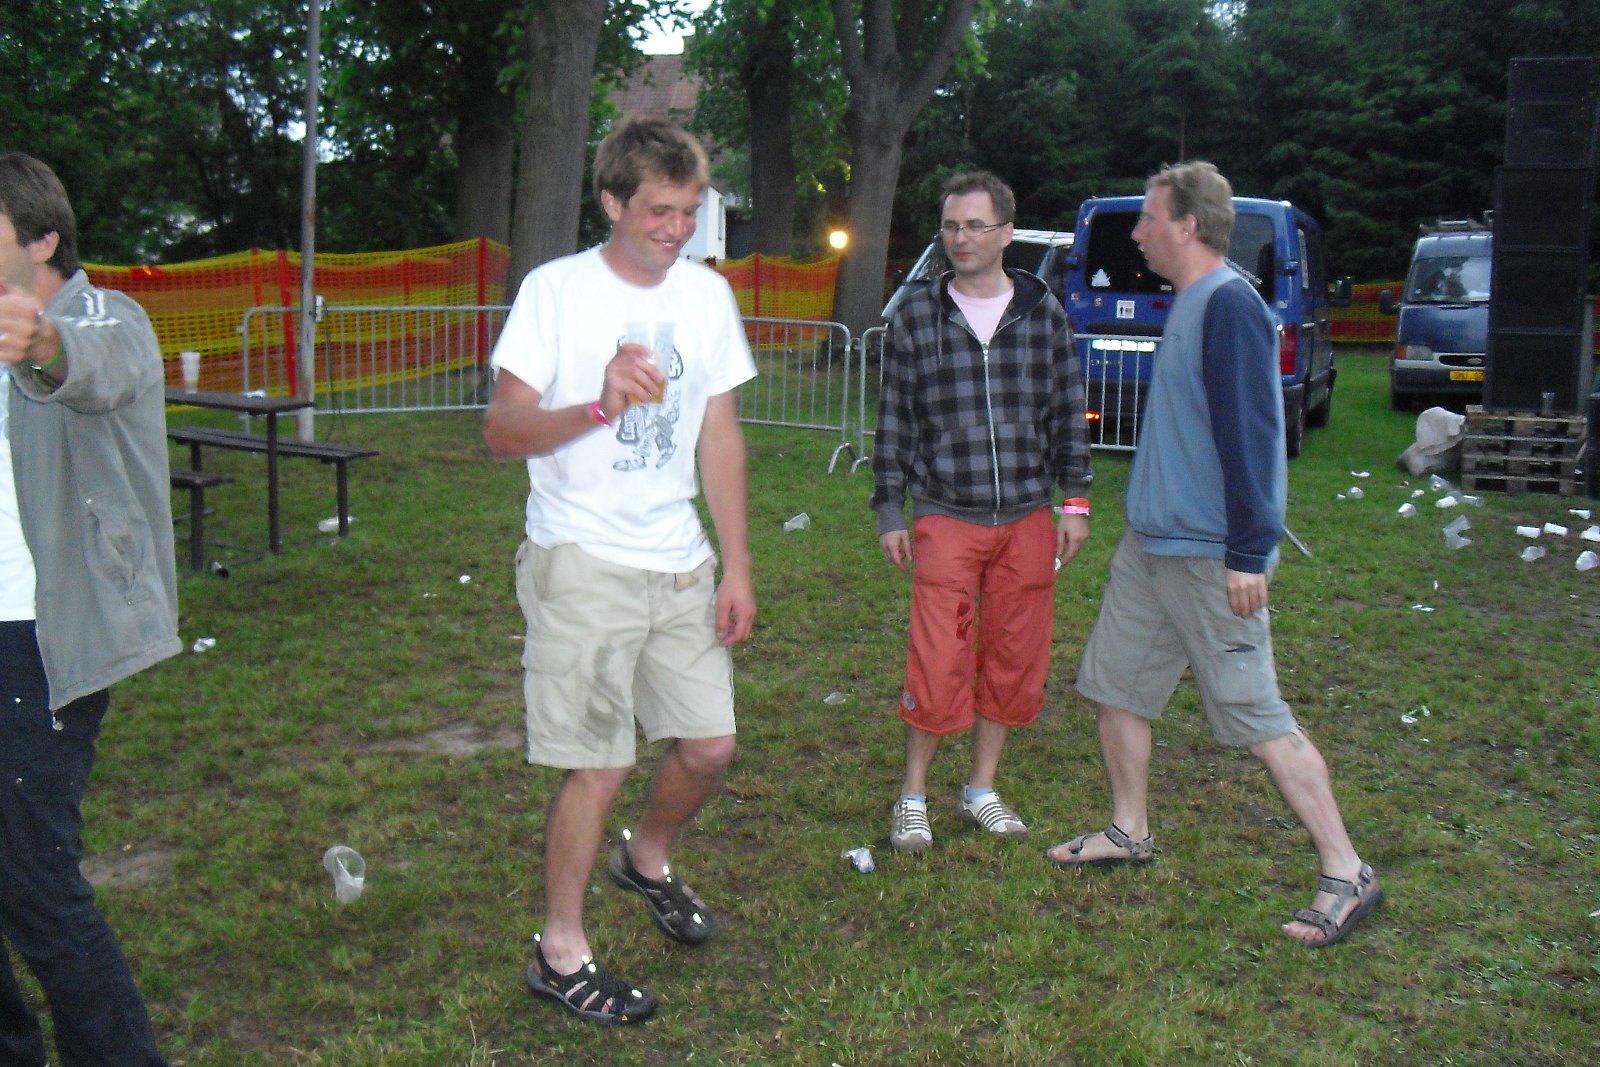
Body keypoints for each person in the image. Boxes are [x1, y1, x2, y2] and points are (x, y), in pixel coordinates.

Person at [1049, 161, 1384, 949]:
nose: (1137, 233)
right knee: (1115, 687)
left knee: (1256, 715)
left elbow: (1253, 434)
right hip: (1150, 546)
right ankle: (1129, 829)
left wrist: (1248, 551)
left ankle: (1347, 871)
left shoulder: (1230, 305)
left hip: (1208, 557)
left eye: (1148, 218)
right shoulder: (1192, 299)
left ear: (1187, 225)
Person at [483, 116, 756, 1026]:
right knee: (597, 764)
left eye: (690, 210)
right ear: (612, 202)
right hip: (581, 559)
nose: (678, 229)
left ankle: (646, 857)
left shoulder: (707, 298)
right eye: (658, 211)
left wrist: (736, 564)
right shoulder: (556, 292)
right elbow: (501, 431)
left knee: (709, 744)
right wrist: (598, 407)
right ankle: (560, 951)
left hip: (678, 557)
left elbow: (719, 434)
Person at [0, 154, 178, 1065]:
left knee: (33, 879)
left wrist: (45, 345)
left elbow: (97, 367)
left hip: (38, 639)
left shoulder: (107, 316)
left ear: (41, 239)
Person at [871, 171, 1092, 853]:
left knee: (1012, 654)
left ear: (1006, 232)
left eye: (974, 225)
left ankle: (980, 789)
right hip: (946, 512)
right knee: (938, 657)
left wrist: (1075, 499)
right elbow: (894, 420)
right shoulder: (916, 316)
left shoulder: (1043, 312)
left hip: (1027, 515)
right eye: (950, 226)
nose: (960, 238)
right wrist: (889, 509)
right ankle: (912, 796)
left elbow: (1067, 410)